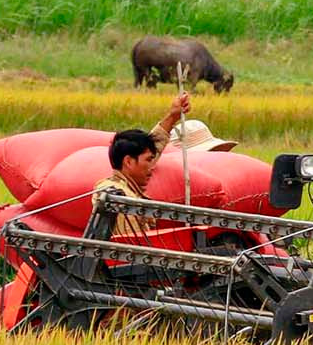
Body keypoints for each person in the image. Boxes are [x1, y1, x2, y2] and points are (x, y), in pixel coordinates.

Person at [91, 94, 236, 240]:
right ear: (128, 162)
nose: (151, 167)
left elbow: (155, 147)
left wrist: (173, 117)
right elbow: (133, 246)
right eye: (148, 160)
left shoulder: (129, 186)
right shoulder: (113, 192)